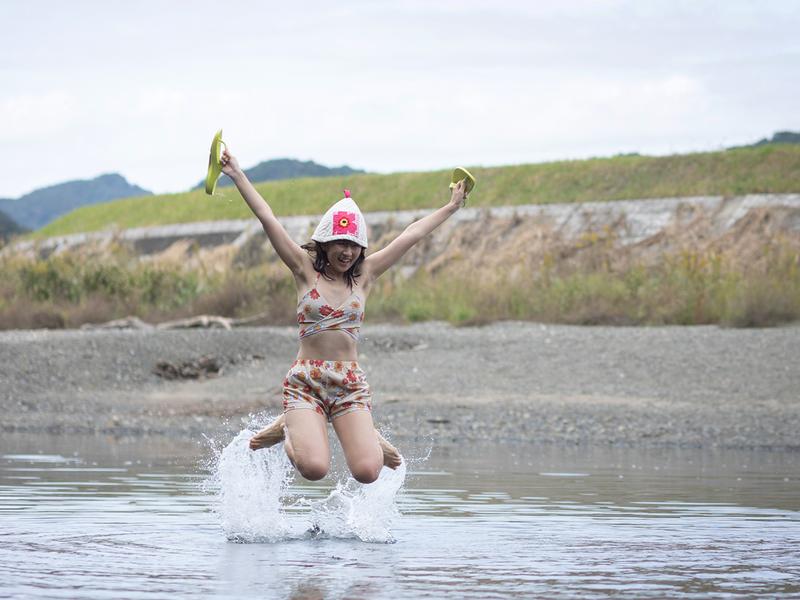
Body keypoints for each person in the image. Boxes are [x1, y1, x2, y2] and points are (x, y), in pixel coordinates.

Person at [220, 148, 469, 484]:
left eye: (354, 246)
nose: (347, 252)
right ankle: (289, 425)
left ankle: (348, 427)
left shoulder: (365, 274)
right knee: (314, 469)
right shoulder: (304, 270)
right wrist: (236, 173)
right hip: (306, 381)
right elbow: (268, 217)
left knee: (368, 472)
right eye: (340, 243)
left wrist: (451, 207)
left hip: (348, 384)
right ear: (324, 243)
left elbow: (411, 235)